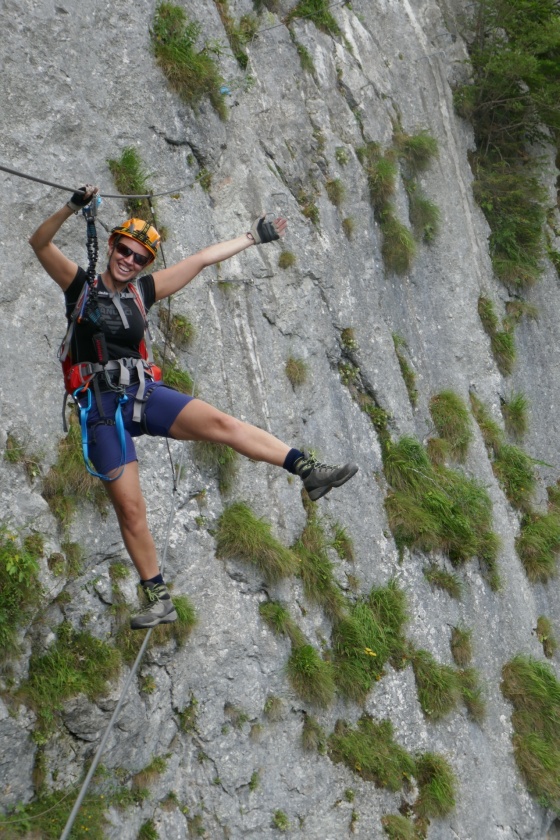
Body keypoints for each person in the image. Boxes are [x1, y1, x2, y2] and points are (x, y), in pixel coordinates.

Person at [29, 184, 358, 630]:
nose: (129, 260)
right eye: (124, 250)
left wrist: (252, 238)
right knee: (131, 509)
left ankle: (306, 469)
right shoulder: (79, 286)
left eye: (139, 257)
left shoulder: (143, 292)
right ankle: (157, 596)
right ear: (110, 246)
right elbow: (40, 242)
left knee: (221, 423)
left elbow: (200, 260)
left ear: (147, 264)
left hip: (140, 394)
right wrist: (72, 207)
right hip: (101, 408)